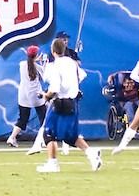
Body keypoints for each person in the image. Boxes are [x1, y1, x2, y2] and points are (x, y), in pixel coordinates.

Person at [35, 36, 103, 174]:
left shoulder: (54, 66)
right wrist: (72, 86)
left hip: (59, 103)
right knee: (70, 136)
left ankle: (53, 164)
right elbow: (82, 76)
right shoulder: (73, 63)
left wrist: (46, 95)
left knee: (49, 134)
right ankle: (92, 154)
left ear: (53, 51)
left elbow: (55, 88)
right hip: (72, 102)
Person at [8, 45, 46, 149]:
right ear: (36, 55)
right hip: (36, 95)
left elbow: (30, 63)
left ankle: (12, 137)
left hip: (23, 95)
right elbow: (45, 77)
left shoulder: (22, 64)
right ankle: (43, 140)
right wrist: (42, 63)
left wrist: (36, 60)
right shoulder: (38, 67)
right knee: (43, 118)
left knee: (22, 119)